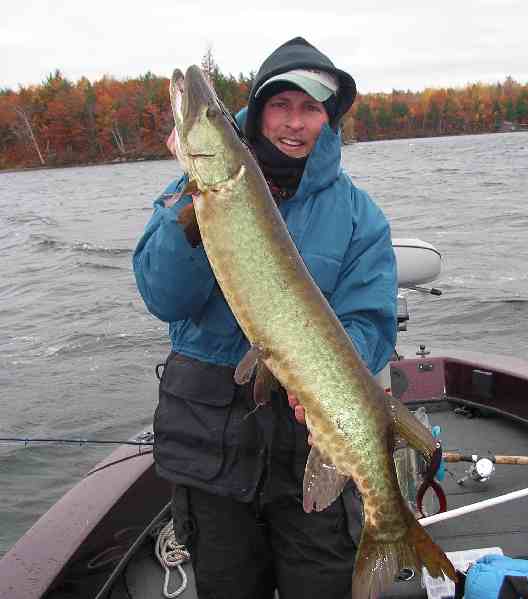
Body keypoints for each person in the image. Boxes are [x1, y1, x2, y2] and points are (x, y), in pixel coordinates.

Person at [133, 36, 397, 599]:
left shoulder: (360, 216)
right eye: (280, 105)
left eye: (311, 108)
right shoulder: (192, 193)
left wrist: (320, 378)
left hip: (307, 446)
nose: (294, 123)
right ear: (256, 112)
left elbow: (371, 323)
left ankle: (389, 532)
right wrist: (193, 197)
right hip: (210, 446)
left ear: (329, 118)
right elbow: (163, 297)